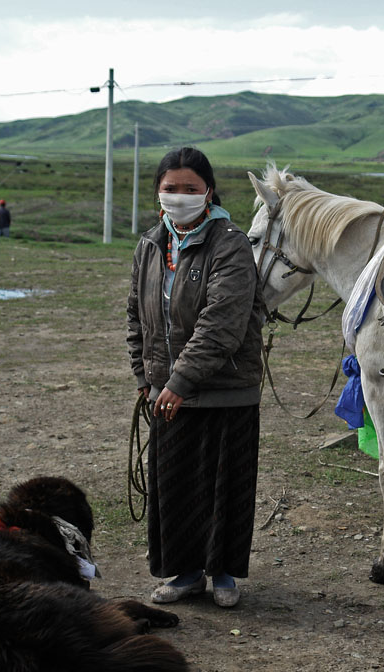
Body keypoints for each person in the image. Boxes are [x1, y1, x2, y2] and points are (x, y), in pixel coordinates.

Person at [126, 147, 264, 607]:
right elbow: (136, 315)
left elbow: (221, 323)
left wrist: (179, 381)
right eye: (170, 189)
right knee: (176, 484)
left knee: (226, 484)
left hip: (226, 388)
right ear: (157, 192)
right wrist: (144, 376)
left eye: (190, 189)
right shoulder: (150, 244)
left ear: (208, 191)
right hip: (167, 389)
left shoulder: (231, 243)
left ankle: (223, 574)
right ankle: (185, 574)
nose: (179, 197)